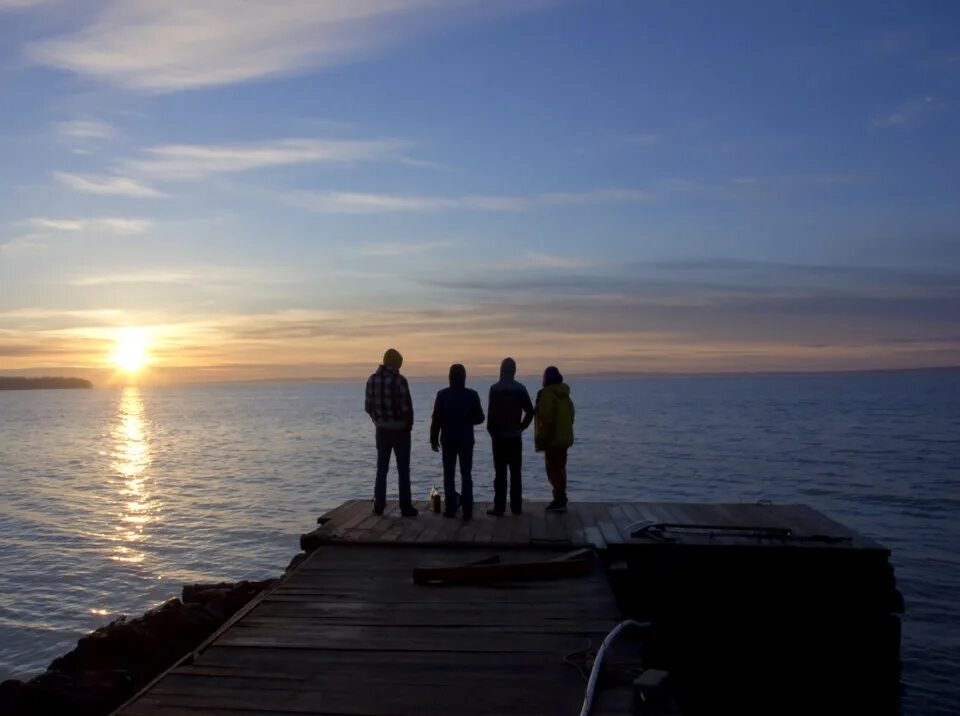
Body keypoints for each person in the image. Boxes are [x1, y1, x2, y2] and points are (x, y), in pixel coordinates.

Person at [365, 348, 418, 517]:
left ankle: (379, 505)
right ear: (396, 364)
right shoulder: (399, 381)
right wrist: (408, 426)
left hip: (381, 430)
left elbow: (368, 407)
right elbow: (407, 408)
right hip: (400, 430)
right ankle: (405, 507)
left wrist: (378, 420)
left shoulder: (372, 380)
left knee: (382, 468)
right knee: (403, 470)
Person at [430, 364, 485, 521]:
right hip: (466, 440)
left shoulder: (442, 395)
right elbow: (481, 417)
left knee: (449, 475)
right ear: (464, 378)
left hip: (448, 440)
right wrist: (468, 419)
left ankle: (450, 509)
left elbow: (436, 419)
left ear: (449, 377)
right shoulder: (472, 395)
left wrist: (433, 438)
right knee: (466, 474)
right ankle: (467, 510)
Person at [485, 357, 534, 516]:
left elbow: (491, 415)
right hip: (514, 437)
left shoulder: (495, 389)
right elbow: (530, 411)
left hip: (499, 438)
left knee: (500, 474)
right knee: (516, 474)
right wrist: (521, 427)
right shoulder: (520, 389)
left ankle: (499, 507)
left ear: (501, 370)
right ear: (514, 370)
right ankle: (516, 507)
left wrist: (491, 431)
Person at [534, 366, 575, 512]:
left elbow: (546, 418)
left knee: (553, 469)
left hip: (553, 439)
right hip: (565, 437)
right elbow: (571, 414)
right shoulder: (565, 395)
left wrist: (542, 437)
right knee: (561, 467)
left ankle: (559, 499)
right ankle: (561, 497)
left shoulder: (547, 394)